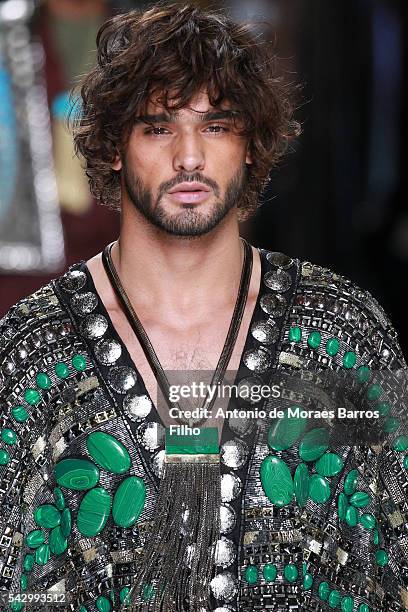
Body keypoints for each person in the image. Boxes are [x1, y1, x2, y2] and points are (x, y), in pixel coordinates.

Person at [0, 4, 407, 611]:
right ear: (114, 147)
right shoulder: (33, 349)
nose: (189, 157)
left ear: (251, 145)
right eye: (158, 128)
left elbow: (393, 565)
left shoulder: (343, 333)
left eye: (216, 126)